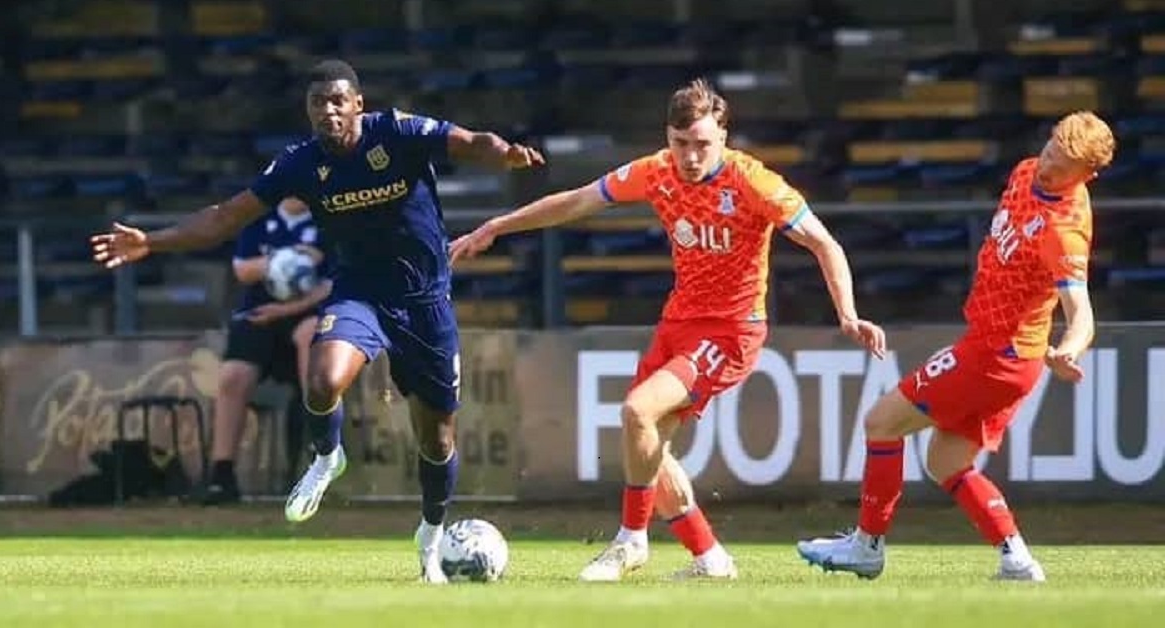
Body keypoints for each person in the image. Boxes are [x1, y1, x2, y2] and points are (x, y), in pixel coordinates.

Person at [91, 59, 545, 583]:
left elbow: (469, 141)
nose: (328, 111)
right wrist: (153, 240)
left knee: (436, 439)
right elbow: (223, 217)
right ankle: (327, 455)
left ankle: (430, 534)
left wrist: (504, 154)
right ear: (308, 111)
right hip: (359, 294)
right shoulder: (300, 164)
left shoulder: (395, 132)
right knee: (324, 377)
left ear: (357, 104)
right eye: (317, 103)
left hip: (425, 301)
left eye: (337, 101)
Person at [450, 78, 886, 582]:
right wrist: (497, 226)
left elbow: (824, 244)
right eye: (681, 144)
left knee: (638, 411)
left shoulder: (753, 182)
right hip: (677, 324)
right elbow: (576, 201)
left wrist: (848, 315)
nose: (691, 156)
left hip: (731, 332)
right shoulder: (656, 172)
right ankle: (710, 557)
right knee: (647, 441)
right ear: (667, 137)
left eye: (702, 144)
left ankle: (630, 542)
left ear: (724, 136)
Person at [795, 111, 1115, 582]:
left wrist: (1070, 346)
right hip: (1001, 353)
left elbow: (1080, 309)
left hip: (997, 356)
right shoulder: (1026, 171)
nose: (1048, 166)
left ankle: (867, 546)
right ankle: (1017, 559)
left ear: (1086, 176)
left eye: (1063, 165)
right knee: (945, 461)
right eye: (1050, 150)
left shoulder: (1063, 231)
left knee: (882, 422)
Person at [203, 196, 331, 505]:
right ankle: (222, 474)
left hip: (308, 310)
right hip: (260, 313)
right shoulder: (258, 220)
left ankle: (318, 445)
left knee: (309, 334)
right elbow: (242, 269)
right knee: (233, 375)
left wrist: (288, 309)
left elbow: (332, 282)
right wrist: (286, 259)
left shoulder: (328, 219)